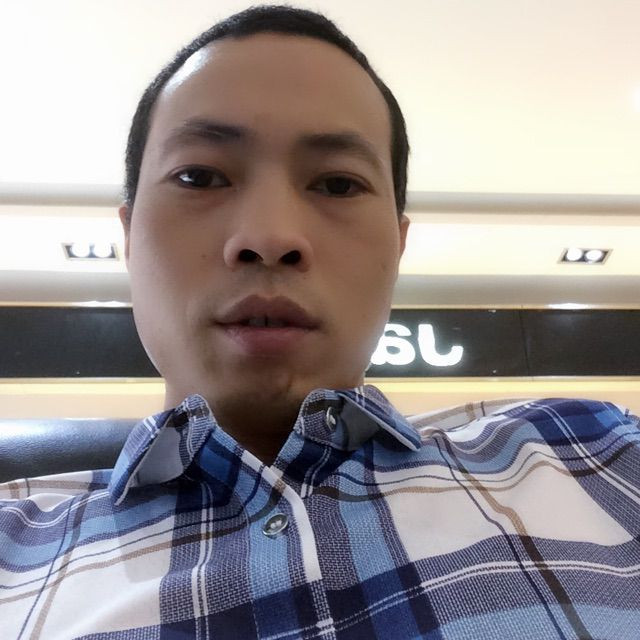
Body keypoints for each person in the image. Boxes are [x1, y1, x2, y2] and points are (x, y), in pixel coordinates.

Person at [1, 5, 639, 639]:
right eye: (199, 176)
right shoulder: (12, 550)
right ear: (129, 236)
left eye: (337, 185)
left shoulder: (595, 454)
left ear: (398, 244)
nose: (270, 237)